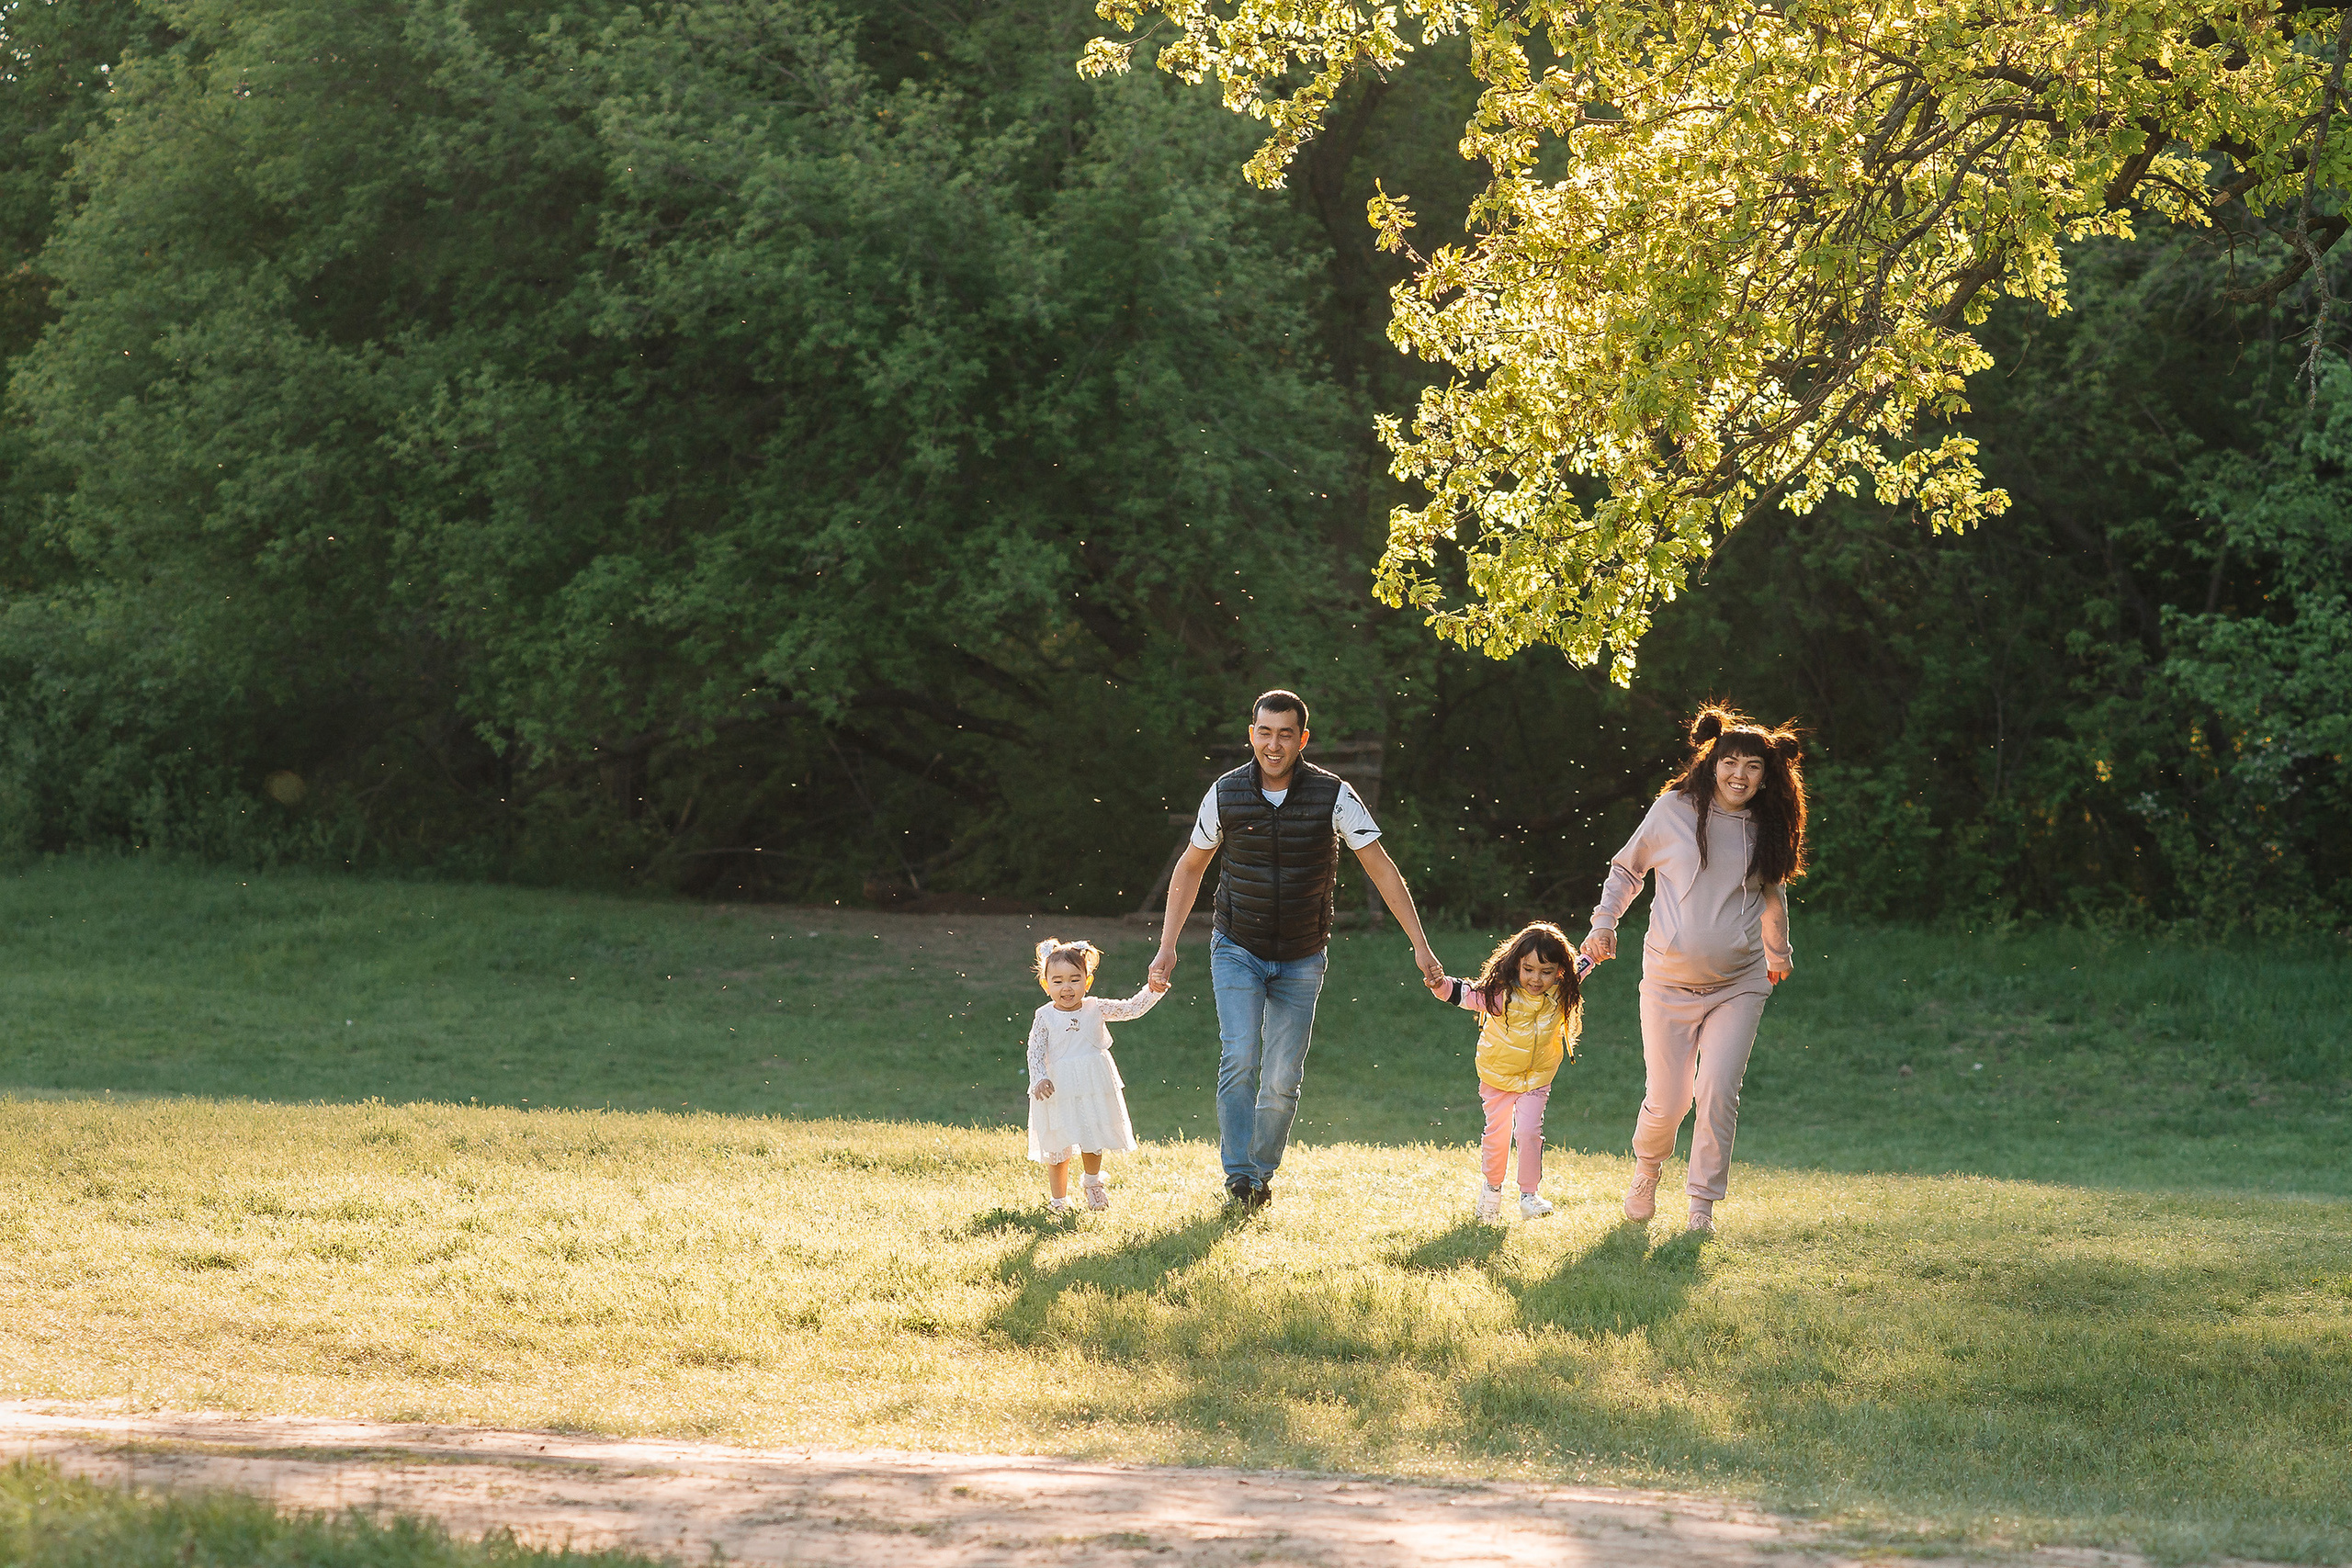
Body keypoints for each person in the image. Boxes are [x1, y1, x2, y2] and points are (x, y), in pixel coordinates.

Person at [1150, 689, 1444, 1211]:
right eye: (1265, 732)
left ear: (1303, 739)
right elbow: (1191, 866)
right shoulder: (1225, 793)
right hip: (1236, 945)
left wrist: (1420, 945)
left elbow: (1380, 867)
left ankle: (1260, 1173)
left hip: (1303, 955)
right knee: (1240, 1058)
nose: (1274, 743)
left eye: (1286, 733)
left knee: (1283, 1077)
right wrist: (1167, 946)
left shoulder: (1334, 796)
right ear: (1252, 735)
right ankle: (1238, 1176)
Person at [1582, 706, 1806, 1235]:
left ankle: (1701, 1206)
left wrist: (1779, 954)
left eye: (1754, 766)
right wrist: (1604, 923)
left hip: (1740, 982)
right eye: (1730, 762)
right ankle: (1646, 1171)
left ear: (1767, 774)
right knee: (1668, 1100)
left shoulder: (1767, 823)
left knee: (1717, 1091)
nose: (1741, 775)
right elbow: (1628, 868)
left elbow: (1771, 894)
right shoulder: (1673, 811)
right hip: (1667, 980)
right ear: (1710, 763)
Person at [1427, 921, 1586, 1223]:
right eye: (1528, 969)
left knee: (1529, 1132)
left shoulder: (1562, 991)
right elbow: (1464, 994)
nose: (1536, 979)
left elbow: (1584, 964)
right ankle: (1491, 1193)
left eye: (1546, 971)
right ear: (1517, 965)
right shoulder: (1502, 995)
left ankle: (1529, 1196)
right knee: (1497, 1135)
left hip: (1537, 1078)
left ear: (1559, 971)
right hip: (1498, 1077)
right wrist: (1439, 984)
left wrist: (1597, 950)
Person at [1026, 937, 1166, 1213]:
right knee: (1059, 1143)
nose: (1067, 987)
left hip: (1092, 1081)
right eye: (1058, 981)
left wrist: (1153, 990)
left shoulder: (1095, 1007)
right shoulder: (1044, 1016)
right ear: (1046, 985)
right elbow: (1034, 1050)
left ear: (1087, 982)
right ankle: (1059, 1200)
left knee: (1092, 1133)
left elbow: (1130, 1009)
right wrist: (1038, 1077)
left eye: (1075, 980)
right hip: (1058, 1087)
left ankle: (1093, 1183)